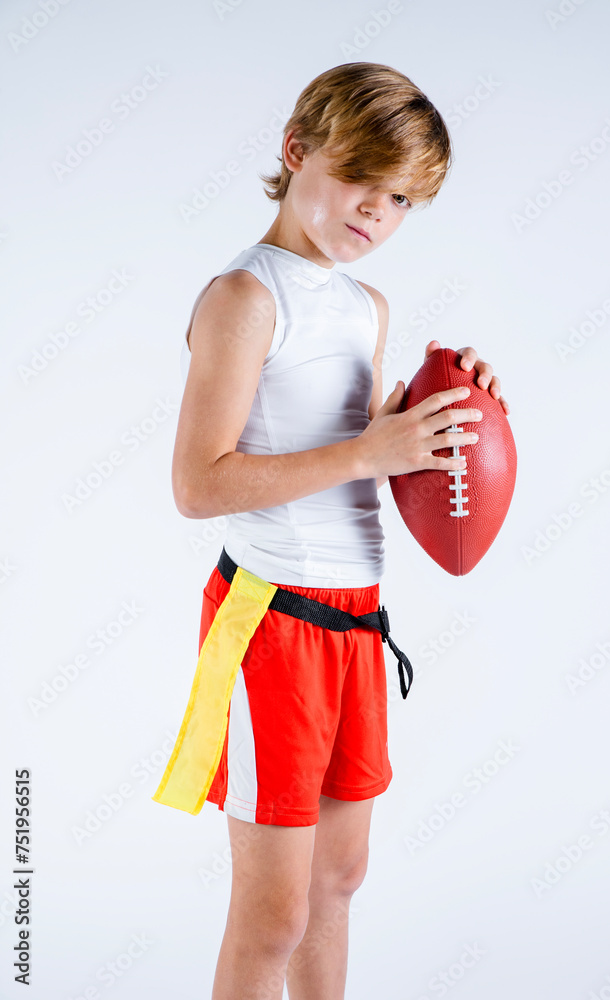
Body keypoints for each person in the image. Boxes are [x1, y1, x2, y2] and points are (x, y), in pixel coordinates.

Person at [153, 62, 510, 1000]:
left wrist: (441, 415)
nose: (376, 213)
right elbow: (199, 483)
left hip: (356, 622)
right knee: (275, 912)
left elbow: (348, 452)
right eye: (363, 178)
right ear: (295, 150)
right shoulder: (243, 295)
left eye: (399, 199)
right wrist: (369, 452)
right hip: (270, 622)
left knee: (339, 882)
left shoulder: (364, 307)